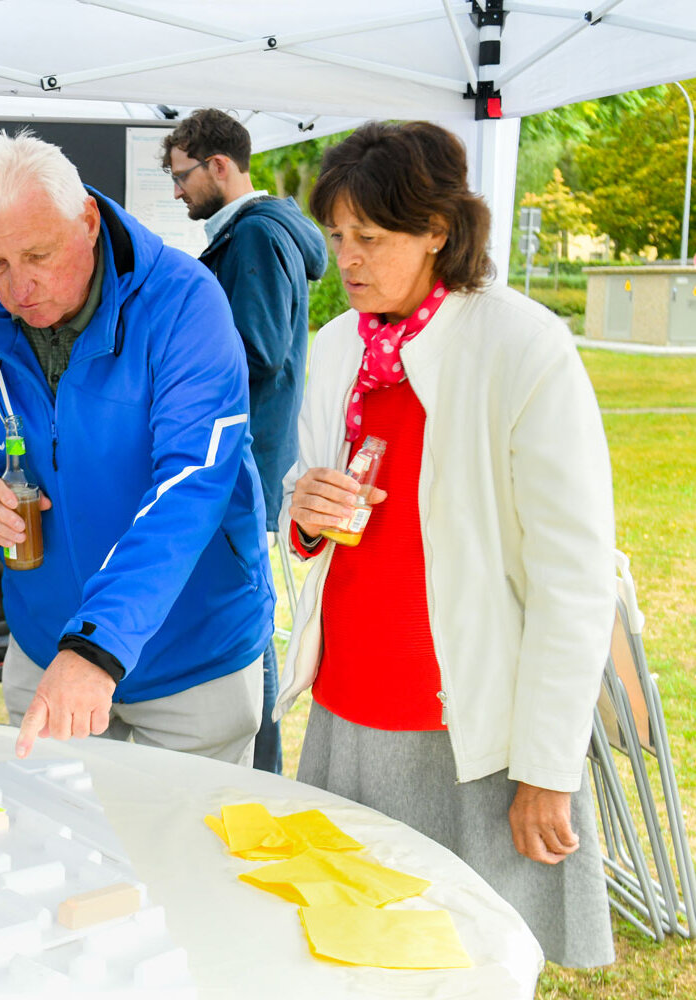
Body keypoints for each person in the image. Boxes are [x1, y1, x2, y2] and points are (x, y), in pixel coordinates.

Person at [279, 121, 615, 967]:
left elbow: (572, 577)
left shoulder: (521, 345)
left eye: (371, 237)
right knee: (357, 946)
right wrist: (306, 513)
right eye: (336, 237)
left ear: (438, 230)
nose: (347, 259)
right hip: (349, 701)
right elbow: (310, 510)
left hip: (465, 722)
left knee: (473, 956)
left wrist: (546, 765)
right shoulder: (333, 347)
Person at [0, 131, 274, 763]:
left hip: (189, 653)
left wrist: (98, 646)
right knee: (56, 852)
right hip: (47, 646)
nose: (17, 289)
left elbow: (192, 485)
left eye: (37, 255)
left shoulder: (184, 303)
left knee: (184, 855)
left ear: (86, 220)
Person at [161, 107, 328, 775]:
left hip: (242, 462)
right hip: (245, 459)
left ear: (219, 166)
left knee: (244, 623)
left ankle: (259, 770)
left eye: (181, 177)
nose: (176, 192)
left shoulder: (255, 238)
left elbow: (252, 352)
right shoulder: (255, 234)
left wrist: (173, 352)